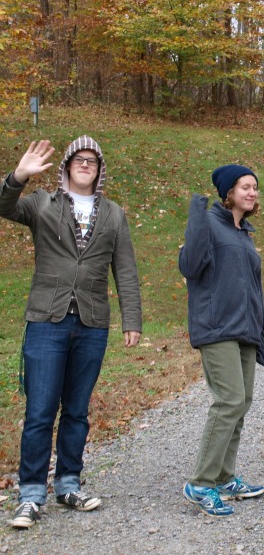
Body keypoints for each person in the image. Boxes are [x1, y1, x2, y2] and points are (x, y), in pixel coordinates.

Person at [0, 138, 142, 529]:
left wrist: (132, 320)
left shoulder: (114, 214)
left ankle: (68, 483)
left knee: (76, 411)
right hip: (47, 320)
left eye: (92, 161)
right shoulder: (41, 204)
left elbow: (126, 270)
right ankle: (30, 494)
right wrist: (17, 178)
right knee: (40, 411)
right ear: (66, 165)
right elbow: (3, 205)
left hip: (92, 324)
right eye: (79, 159)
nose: (85, 165)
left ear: (99, 170)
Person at [179, 165, 264, 516]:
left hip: (245, 329)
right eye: (244, 187)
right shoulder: (210, 223)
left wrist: (261, 330)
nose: (251, 192)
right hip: (216, 328)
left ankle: (224, 476)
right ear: (228, 192)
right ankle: (200, 483)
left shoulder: (243, 232)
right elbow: (189, 266)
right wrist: (194, 216)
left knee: (242, 401)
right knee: (229, 399)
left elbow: (251, 285)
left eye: (254, 188)